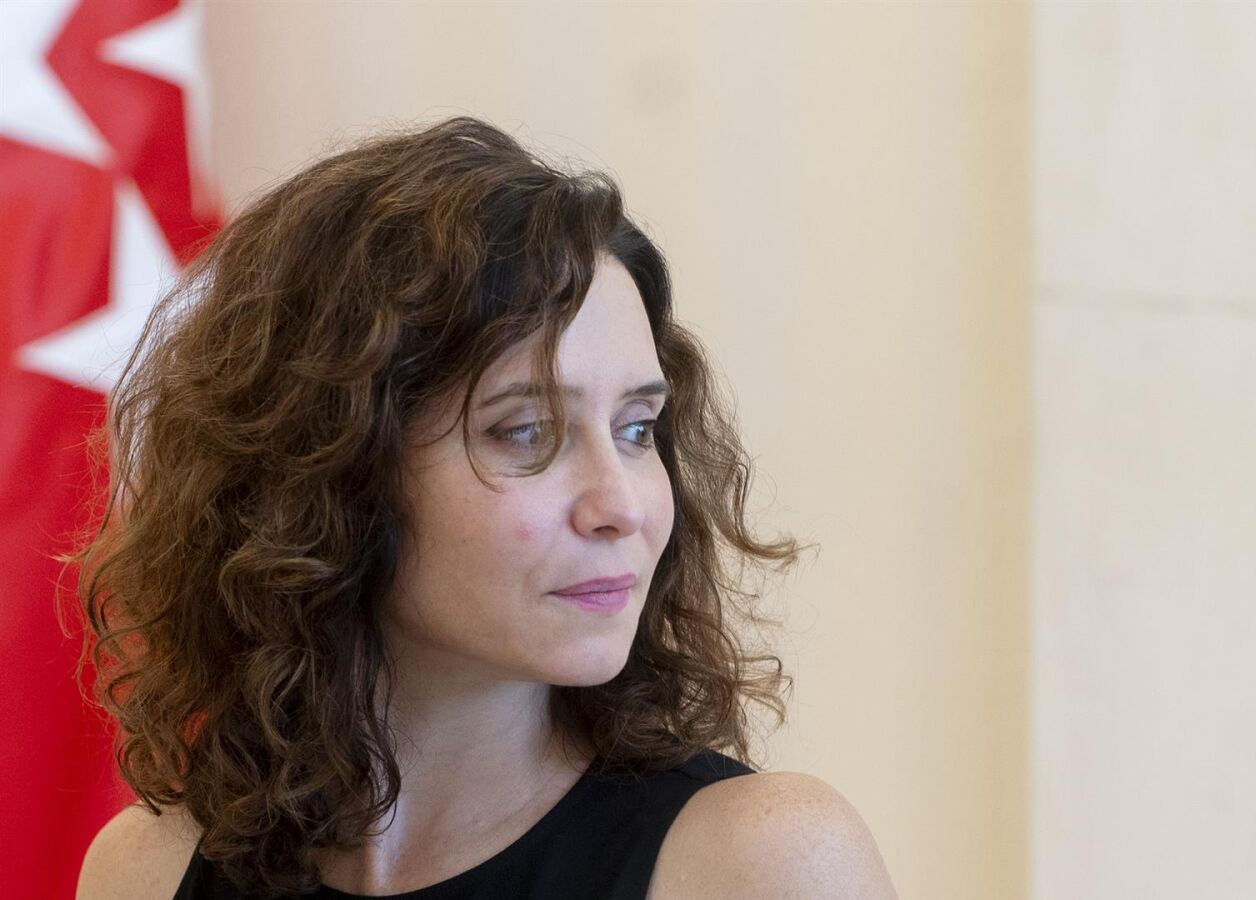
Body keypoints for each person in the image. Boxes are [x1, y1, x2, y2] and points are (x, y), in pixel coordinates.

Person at [68, 116, 898, 899]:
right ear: (330, 472)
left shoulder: (761, 861)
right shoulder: (145, 871)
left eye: (638, 429)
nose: (622, 505)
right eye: (527, 432)